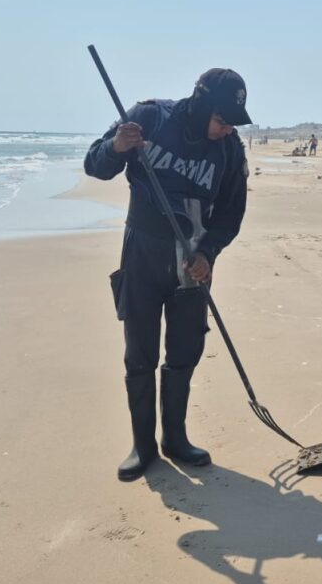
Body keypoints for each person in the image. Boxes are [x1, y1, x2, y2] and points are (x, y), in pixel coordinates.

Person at [85, 68, 251, 481]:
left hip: (191, 261)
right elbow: (95, 164)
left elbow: (232, 213)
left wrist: (209, 252)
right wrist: (115, 146)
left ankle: (174, 439)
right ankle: (143, 446)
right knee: (139, 352)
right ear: (199, 103)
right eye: (221, 119)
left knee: (184, 352)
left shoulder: (229, 151)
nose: (227, 128)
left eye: (233, 121)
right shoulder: (150, 117)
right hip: (142, 252)